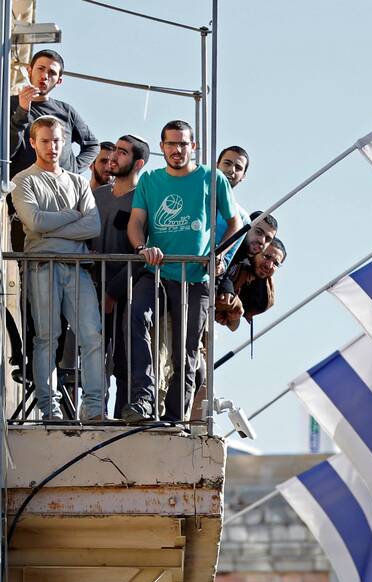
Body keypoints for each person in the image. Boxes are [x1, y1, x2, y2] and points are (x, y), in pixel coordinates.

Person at [121, 120, 240, 422]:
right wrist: (141, 248)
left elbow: (236, 224)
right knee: (136, 317)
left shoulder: (212, 179)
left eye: (183, 144)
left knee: (184, 353)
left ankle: (175, 418)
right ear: (162, 148)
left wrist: (217, 255)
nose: (177, 150)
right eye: (171, 144)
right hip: (157, 272)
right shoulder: (150, 180)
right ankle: (143, 401)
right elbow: (135, 223)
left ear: (193, 147)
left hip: (196, 278)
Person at [11, 115, 103, 420]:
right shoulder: (23, 180)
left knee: (92, 337)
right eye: (46, 140)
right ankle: (49, 410)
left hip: (76, 268)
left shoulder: (78, 181)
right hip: (42, 267)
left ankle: (93, 410)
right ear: (34, 142)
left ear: (65, 143)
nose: (52, 146)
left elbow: (93, 225)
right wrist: (71, 214)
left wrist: (51, 227)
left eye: (57, 140)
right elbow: (34, 221)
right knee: (46, 338)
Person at [92, 134, 150, 413]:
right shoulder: (97, 195)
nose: (113, 156)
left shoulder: (144, 200)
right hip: (90, 287)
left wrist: (114, 290)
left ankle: (123, 416)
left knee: (123, 361)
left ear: (138, 163)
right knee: (91, 356)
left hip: (125, 292)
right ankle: (93, 413)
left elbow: (143, 255)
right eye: (114, 150)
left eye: (122, 152)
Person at [9, 50, 99, 177]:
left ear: (59, 81)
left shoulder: (66, 111)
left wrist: (72, 168)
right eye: (40, 68)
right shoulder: (7, 104)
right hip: (22, 189)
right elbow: (6, 152)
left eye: (52, 73)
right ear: (29, 71)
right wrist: (22, 111)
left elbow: (92, 144)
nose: (45, 76)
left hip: (60, 191)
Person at [215, 235, 285, 331]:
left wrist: (234, 314)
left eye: (276, 264)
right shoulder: (236, 261)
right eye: (266, 257)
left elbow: (233, 325)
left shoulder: (262, 289)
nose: (269, 265)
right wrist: (233, 303)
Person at [215, 146, 251, 271]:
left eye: (238, 168)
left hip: (204, 280)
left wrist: (218, 265)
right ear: (216, 165)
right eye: (227, 163)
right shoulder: (195, 197)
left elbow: (226, 261)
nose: (231, 170)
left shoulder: (242, 218)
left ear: (243, 176)